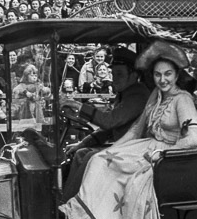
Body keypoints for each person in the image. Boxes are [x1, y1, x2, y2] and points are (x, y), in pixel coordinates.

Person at [59, 41, 197, 219]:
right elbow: (137, 128)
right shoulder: (154, 96)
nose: (162, 80)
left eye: (168, 74)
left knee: (107, 166)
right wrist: (113, 150)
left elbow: (192, 138)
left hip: (164, 153)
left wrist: (165, 150)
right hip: (146, 145)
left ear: (177, 75)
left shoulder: (183, 100)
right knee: (98, 160)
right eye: (158, 74)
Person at [60, 47, 150, 201]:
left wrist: (78, 106)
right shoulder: (124, 94)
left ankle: (72, 204)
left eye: (120, 74)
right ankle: (68, 200)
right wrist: (80, 144)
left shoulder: (138, 94)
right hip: (123, 148)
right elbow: (108, 130)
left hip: (134, 151)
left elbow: (110, 121)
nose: (115, 79)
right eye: (113, 74)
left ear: (134, 75)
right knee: (81, 153)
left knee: (90, 157)